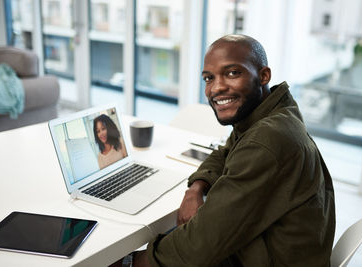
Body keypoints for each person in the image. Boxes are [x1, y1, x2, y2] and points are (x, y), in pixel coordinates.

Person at [129, 34, 336, 267]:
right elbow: (223, 153)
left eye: (232, 73)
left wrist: (130, 262)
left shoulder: (266, 140)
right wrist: (196, 188)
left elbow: (200, 245)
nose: (216, 87)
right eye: (208, 78)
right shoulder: (271, 113)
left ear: (263, 76)